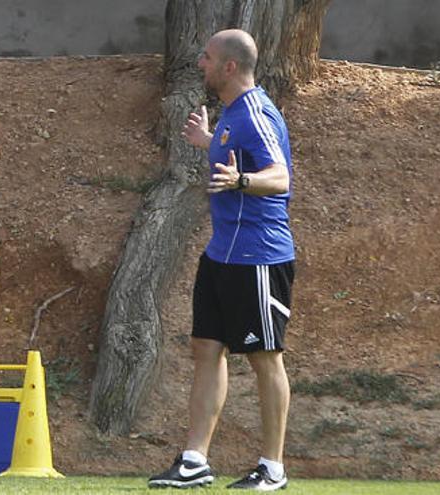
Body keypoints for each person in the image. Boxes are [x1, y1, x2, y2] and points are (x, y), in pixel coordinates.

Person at [148, 29, 295, 491]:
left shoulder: (256, 112)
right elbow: (236, 153)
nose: (199, 63)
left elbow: (279, 175)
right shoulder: (232, 113)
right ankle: (195, 460)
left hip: (258, 256)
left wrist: (241, 181)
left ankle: (272, 468)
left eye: (207, 57)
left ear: (230, 67)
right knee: (207, 349)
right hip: (222, 255)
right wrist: (207, 140)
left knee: (264, 358)